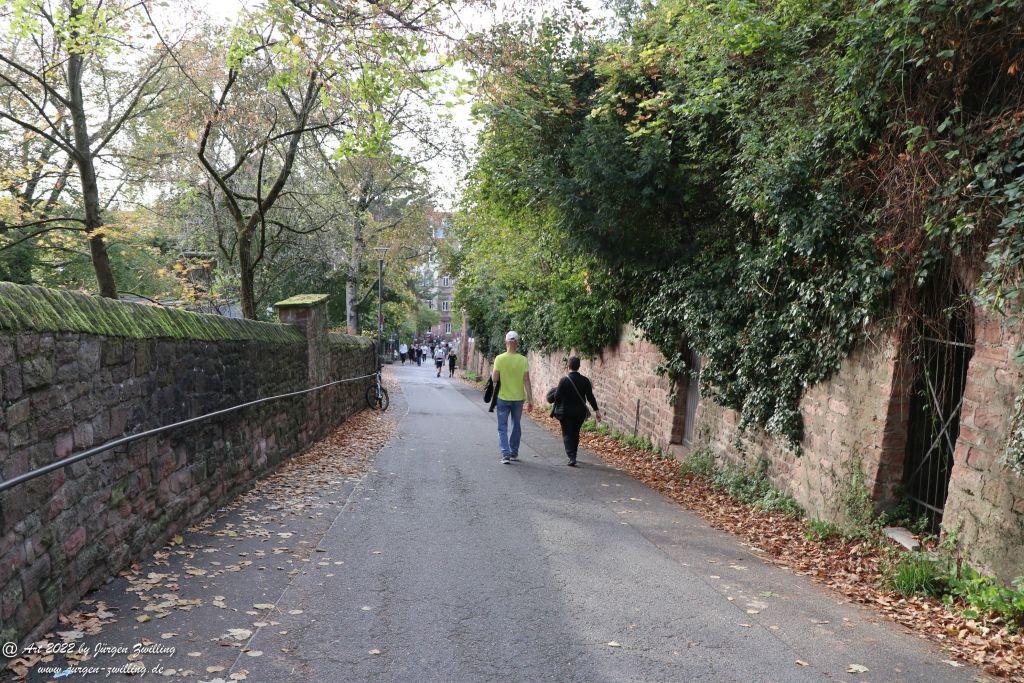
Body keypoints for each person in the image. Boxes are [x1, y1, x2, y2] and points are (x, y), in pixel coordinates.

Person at [492, 331, 533, 464]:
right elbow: (526, 380)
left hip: (502, 397)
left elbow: (495, 378)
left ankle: (505, 454)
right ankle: (514, 452)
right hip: (518, 398)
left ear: (506, 342)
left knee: (502, 427)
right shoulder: (523, 359)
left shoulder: (499, 358)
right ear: (517, 343)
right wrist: (530, 400)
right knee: (516, 425)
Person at [551, 356, 601, 467]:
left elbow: (557, 397)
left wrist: (555, 392)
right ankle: (574, 454)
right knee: (575, 433)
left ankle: (571, 456)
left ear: (568, 366)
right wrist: (596, 410)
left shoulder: (564, 380)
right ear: (579, 366)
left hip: (565, 412)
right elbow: (590, 397)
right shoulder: (585, 380)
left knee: (567, 434)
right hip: (579, 413)